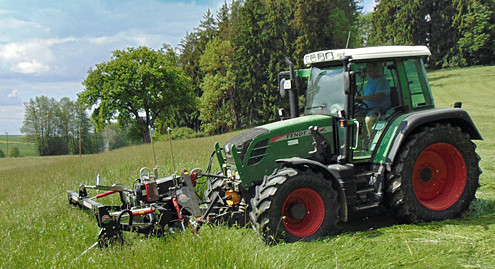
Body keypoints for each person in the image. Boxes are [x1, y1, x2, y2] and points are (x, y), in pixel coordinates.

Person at [355, 62, 390, 136]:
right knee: (354, 117)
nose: (368, 73)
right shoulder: (370, 81)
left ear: (377, 70)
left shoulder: (381, 81)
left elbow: (378, 96)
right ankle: (359, 140)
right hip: (367, 108)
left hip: (380, 108)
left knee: (368, 119)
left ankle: (371, 140)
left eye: (370, 71)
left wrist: (360, 98)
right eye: (367, 71)